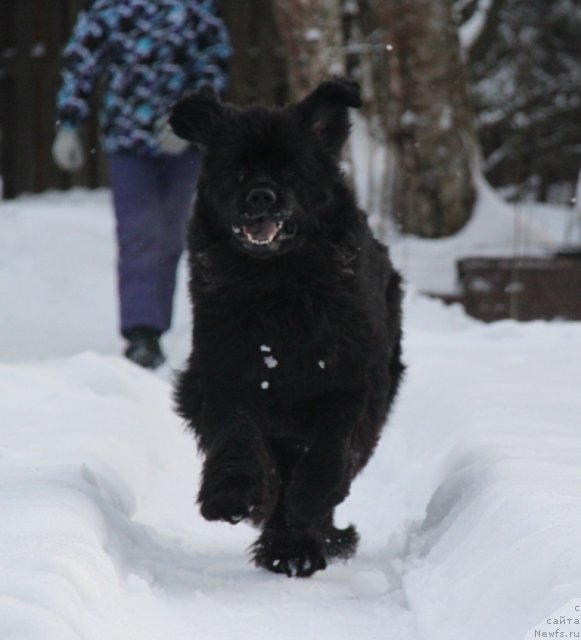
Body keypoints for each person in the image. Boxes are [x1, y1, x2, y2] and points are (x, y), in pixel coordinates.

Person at [52, 0, 231, 368]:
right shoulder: (111, 11)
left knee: (172, 236)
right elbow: (80, 65)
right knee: (138, 233)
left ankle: (166, 325)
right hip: (127, 144)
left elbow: (214, 64)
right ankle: (141, 333)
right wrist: (69, 123)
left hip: (183, 147)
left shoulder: (194, 11)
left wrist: (192, 120)